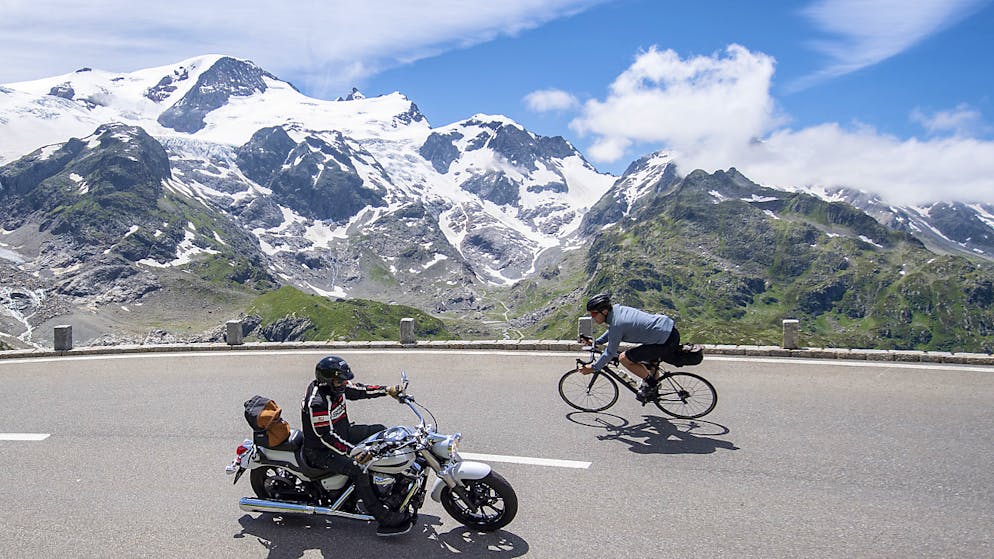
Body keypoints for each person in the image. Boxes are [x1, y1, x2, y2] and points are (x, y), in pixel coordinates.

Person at [300, 355, 412, 537]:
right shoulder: (317, 402)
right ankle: (383, 517)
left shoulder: (337, 387)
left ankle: (389, 485)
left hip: (343, 432)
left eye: (344, 381)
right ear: (327, 381)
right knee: (359, 469)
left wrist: (387, 390)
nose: (343, 385)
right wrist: (353, 452)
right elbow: (326, 437)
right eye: (339, 382)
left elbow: (359, 390)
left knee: (381, 433)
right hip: (320, 451)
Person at [578, 293, 681, 403]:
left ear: (604, 311)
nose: (592, 317)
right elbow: (612, 332)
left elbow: (610, 352)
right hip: (668, 332)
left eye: (594, 314)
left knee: (623, 358)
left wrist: (593, 368)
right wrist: (597, 341)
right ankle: (652, 391)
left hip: (665, 341)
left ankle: (651, 384)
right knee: (647, 362)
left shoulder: (618, 323)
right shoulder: (617, 311)